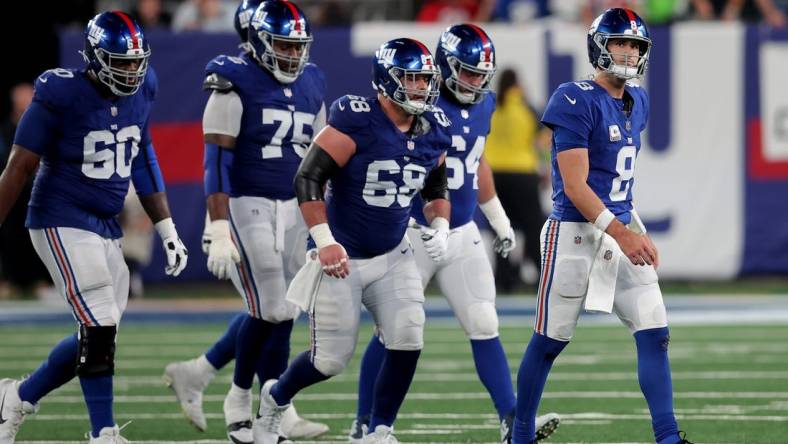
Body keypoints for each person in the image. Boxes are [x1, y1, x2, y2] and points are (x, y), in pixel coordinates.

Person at [347, 24, 560, 444]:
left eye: (481, 73)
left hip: (462, 230)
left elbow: (476, 161)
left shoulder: (485, 104)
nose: (474, 81)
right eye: (465, 72)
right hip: (412, 231)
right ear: (444, 68)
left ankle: (511, 422)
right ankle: (365, 424)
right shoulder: (419, 101)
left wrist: (497, 217)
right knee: (392, 332)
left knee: (484, 320)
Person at [0, 11, 188, 444]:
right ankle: (103, 431)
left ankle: (17, 398)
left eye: (136, 61)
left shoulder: (146, 86)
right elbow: (19, 165)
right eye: (120, 62)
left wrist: (167, 228)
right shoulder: (61, 91)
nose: (131, 70)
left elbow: (143, 157)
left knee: (98, 335)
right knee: (99, 323)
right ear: (95, 57)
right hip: (59, 216)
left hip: (105, 222)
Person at [253, 37, 452, 444]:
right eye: (410, 78)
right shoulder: (356, 118)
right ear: (387, 80)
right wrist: (324, 241)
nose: (420, 88)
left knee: (408, 335)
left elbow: (436, 189)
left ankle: (379, 430)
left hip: (394, 254)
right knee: (328, 362)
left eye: (424, 79)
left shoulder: (435, 129)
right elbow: (308, 178)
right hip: (341, 258)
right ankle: (275, 398)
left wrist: (442, 227)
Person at [511, 8, 693, 444]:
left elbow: (616, 183)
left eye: (635, 45)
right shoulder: (573, 98)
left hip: (621, 230)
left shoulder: (639, 100)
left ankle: (668, 438)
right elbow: (575, 186)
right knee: (550, 340)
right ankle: (519, 436)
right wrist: (624, 231)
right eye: (620, 43)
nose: (629, 52)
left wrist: (632, 227)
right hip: (574, 234)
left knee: (655, 332)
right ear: (598, 46)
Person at [164, 1, 328, 443]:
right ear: (258, 43)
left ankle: (243, 395)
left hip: (292, 206)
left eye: (298, 47)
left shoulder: (312, 81)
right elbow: (215, 161)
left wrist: (323, 220)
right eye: (283, 45)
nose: (293, 56)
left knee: (284, 307)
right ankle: (246, 401)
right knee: (272, 306)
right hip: (245, 204)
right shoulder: (232, 81)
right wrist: (217, 226)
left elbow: (320, 157)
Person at [485, 68, 546, 292]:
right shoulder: (526, 107)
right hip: (523, 173)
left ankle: (504, 278)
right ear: (517, 84)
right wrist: (546, 168)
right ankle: (540, 273)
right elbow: (543, 140)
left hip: (494, 175)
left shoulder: (490, 107)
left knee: (500, 227)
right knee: (533, 227)